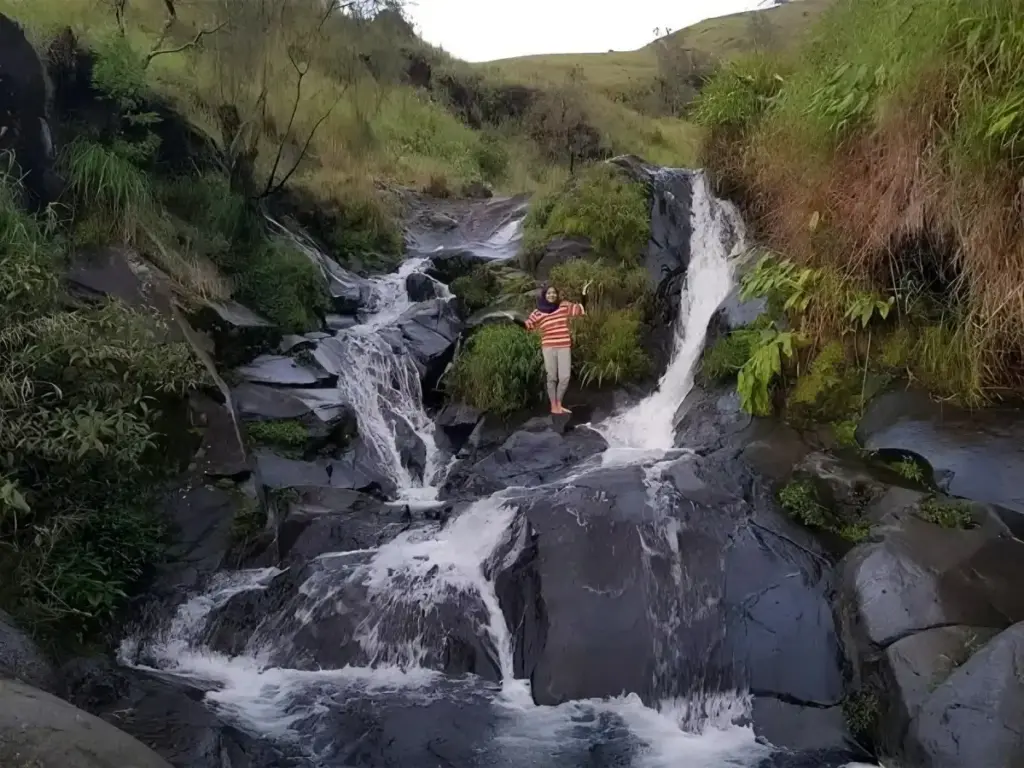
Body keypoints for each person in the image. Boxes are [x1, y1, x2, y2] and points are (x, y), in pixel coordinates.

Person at [524, 281, 591, 415]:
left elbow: (581, 309)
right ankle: (554, 406)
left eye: (554, 293)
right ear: (544, 295)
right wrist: (513, 318)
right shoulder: (538, 312)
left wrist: (583, 293)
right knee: (552, 377)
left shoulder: (563, 306)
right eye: (549, 293)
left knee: (565, 377)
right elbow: (528, 326)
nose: (552, 295)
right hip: (548, 347)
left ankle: (558, 404)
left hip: (564, 346)